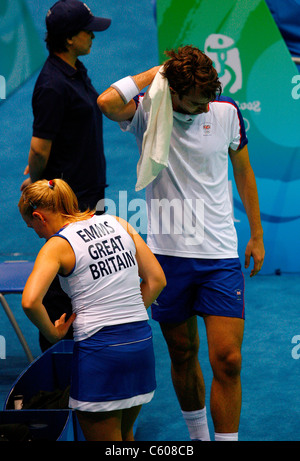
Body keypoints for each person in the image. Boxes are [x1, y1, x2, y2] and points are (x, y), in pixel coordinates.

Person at [97, 45, 265, 441]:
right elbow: (106, 102)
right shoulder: (147, 110)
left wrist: (256, 233)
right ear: (172, 92)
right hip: (167, 258)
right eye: (195, 101)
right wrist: (155, 73)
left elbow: (243, 171)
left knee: (228, 359)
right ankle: (198, 437)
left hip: (219, 256)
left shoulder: (225, 112)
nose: (206, 108)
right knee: (183, 353)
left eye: (209, 99)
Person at [18, 178, 166, 441]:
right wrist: (125, 311)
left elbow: (30, 301)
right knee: (125, 439)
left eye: (32, 227)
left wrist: (53, 334)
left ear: (39, 216)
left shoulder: (57, 245)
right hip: (140, 348)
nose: (38, 234)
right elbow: (157, 280)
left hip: (101, 356)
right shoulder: (119, 223)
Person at [20, 0, 111, 351]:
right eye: (87, 30)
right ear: (70, 39)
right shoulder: (53, 85)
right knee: (62, 288)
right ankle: (55, 371)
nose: (93, 35)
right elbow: (39, 149)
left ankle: (84, 359)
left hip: (86, 196)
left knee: (84, 279)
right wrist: (35, 189)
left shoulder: (74, 69)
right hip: (67, 203)